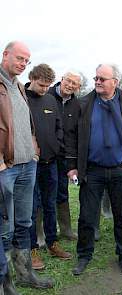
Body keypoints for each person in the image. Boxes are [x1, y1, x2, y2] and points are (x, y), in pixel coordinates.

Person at [69, 64, 122, 276]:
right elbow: (72, 136)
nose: (98, 82)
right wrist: (73, 166)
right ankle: (84, 256)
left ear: (115, 82)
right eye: (96, 78)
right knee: (86, 217)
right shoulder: (84, 103)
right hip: (92, 170)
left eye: (103, 78)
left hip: (119, 170)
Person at [0, 41, 53, 290]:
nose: (23, 64)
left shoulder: (19, 86)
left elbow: (25, 123)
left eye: (26, 60)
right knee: (3, 229)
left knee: (24, 223)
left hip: (26, 166)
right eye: (19, 58)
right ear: (5, 55)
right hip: (5, 169)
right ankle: (5, 283)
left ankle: (25, 275)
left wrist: (33, 151)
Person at [25, 64, 72, 271]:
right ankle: (32, 248)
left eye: (48, 85)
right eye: (41, 85)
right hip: (29, 164)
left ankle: (52, 242)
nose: (45, 89)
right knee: (32, 207)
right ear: (32, 78)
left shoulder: (51, 99)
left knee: (50, 204)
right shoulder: (21, 98)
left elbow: (58, 127)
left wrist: (57, 147)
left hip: (51, 163)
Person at [48, 70, 81, 241]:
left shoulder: (77, 105)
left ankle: (66, 229)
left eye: (74, 83)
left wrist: (72, 161)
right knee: (42, 194)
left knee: (62, 192)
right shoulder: (46, 96)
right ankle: (42, 233)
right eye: (68, 80)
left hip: (65, 156)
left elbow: (75, 134)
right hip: (46, 155)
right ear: (61, 79)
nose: (70, 85)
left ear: (78, 87)